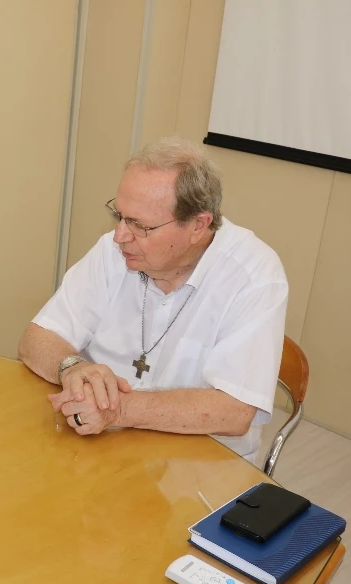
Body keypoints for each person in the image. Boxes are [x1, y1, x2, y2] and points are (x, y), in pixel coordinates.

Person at [18, 137, 287, 463]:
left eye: (140, 225)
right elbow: (37, 338)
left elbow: (234, 411)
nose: (120, 235)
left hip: (196, 465)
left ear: (198, 225)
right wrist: (72, 368)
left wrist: (118, 409)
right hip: (99, 444)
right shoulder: (113, 251)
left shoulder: (254, 276)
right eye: (119, 215)